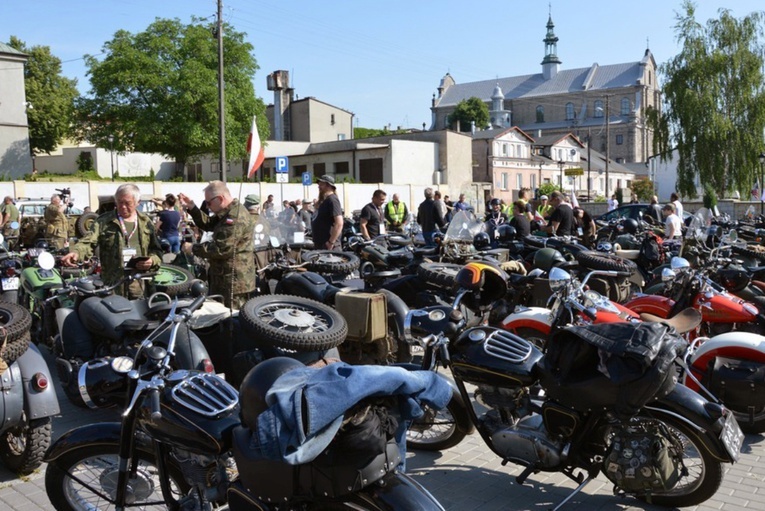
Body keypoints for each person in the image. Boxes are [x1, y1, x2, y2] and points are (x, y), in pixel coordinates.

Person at [61, 184, 162, 298]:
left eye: (127, 203)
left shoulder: (146, 222)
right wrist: (76, 253)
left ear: (138, 202)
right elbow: (88, 241)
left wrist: (152, 261)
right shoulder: (104, 221)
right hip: (113, 286)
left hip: (139, 284)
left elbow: (156, 250)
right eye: (119, 202)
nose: (123, 207)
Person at [178, 181, 256, 309]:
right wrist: (192, 207)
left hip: (234, 281)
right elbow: (208, 223)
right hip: (223, 277)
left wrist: (193, 248)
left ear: (220, 199)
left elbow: (222, 248)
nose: (207, 207)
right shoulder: (226, 212)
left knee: (230, 318)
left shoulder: (234, 217)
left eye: (209, 203)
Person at [311, 175, 344, 251]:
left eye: (321, 184)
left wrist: (331, 242)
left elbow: (339, 223)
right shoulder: (325, 200)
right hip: (321, 245)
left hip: (329, 247)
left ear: (328, 185)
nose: (319, 187)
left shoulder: (332, 200)